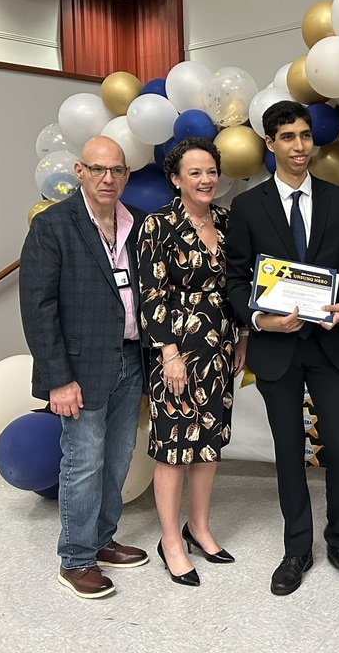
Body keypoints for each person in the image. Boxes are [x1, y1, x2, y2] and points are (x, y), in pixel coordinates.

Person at [226, 100, 339, 596]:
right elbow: (236, 279)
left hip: (329, 344)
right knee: (288, 450)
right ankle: (296, 550)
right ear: (270, 144)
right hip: (277, 347)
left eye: (305, 136)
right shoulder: (247, 207)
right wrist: (258, 318)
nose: (299, 145)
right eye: (287, 137)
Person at [20, 135, 149, 600]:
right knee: (83, 463)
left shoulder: (136, 225)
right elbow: (38, 307)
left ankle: (102, 539)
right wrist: (58, 378)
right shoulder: (53, 226)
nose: (107, 178)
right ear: (79, 172)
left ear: (126, 175)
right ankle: (75, 559)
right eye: (97, 169)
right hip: (79, 367)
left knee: (117, 458)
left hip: (130, 359)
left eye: (116, 170)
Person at [138, 138, 247, 587]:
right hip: (177, 351)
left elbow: (239, 284)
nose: (206, 180)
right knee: (173, 447)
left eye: (211, 171)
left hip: (219, 346)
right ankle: (170, 541)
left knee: (208, 443)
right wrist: (168, 355)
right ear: (175, 179)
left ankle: (198, 527)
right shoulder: (157, 225)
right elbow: (151, 295)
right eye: (195, 173)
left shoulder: (226, 220)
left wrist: (242, 335)